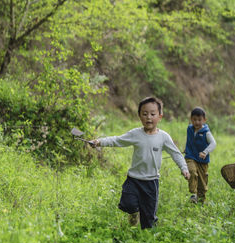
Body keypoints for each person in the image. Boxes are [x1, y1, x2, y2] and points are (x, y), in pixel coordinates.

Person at [91, 96, 190, 229]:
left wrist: (184, 167)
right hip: (134, 179)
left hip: (151, 182)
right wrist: (100, 141)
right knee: (128, 203)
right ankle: (133, 213)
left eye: (152, 114)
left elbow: (175, 153)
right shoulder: (135, 134)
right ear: (139, 116)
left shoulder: (163, 137)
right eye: (145, 114)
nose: (149, 117)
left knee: (148, 219)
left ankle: (147, 238)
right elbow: (118, 140)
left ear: (160, 116)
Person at [184, 106, 216, 203]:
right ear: (191, 119)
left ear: (204, 120)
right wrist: (187, 148)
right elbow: (190, 140)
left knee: (202, 182)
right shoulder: (189, 129)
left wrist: (205, 152)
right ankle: (193, 194)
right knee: (192, 171)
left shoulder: (206, 132)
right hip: (190, 157)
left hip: (202, 160)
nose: (197, 122)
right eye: (194, 120)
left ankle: (201, 200)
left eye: (199, 120)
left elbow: (213, 143)